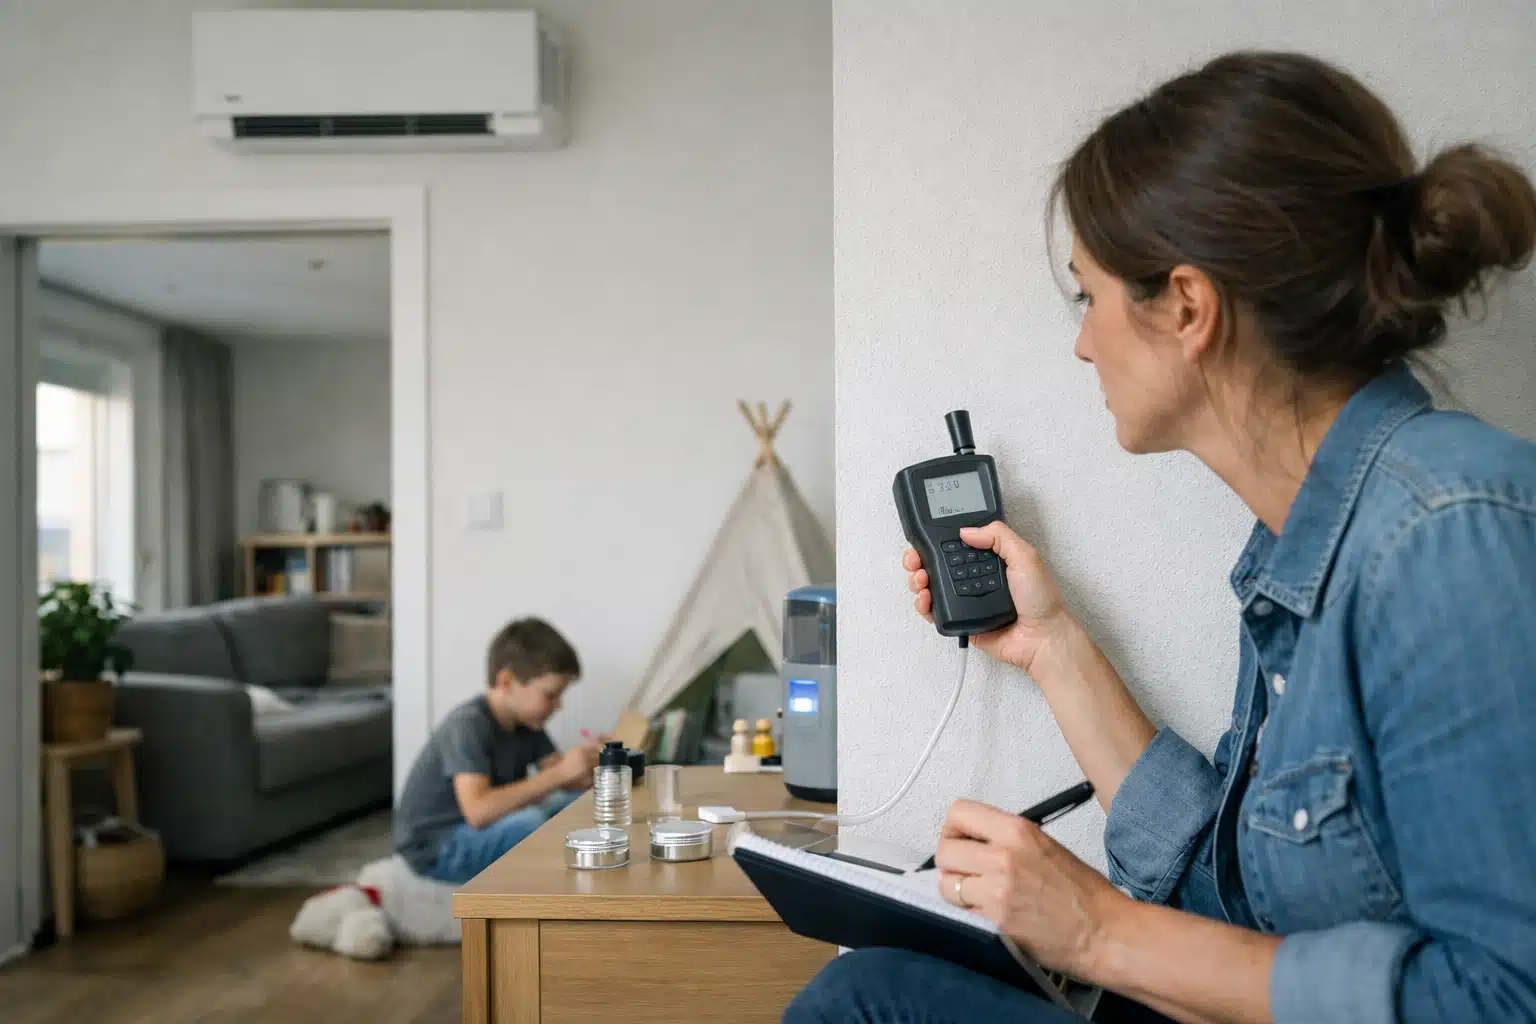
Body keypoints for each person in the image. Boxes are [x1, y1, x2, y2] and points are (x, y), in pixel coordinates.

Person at [787, 51, 1536, 1024]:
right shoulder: (1303, 547)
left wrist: (1099, 931)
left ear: (1187, 305)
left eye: (1087, 296)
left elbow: (1504, 998)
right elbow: (1225, 890)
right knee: (868, 983)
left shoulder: (1451, 540)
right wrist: (1052, 647)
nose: (1083, 343)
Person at [395, 617, 600, 884]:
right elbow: (478, 812)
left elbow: (566, 780)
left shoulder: (528, 723)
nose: (558, 706)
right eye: (550, 695)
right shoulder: (468, 725)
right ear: (507, 681)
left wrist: (595, 764)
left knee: (579, 804)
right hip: (438, 847)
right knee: (530, 824)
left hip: (483, 829)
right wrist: (560, 774)